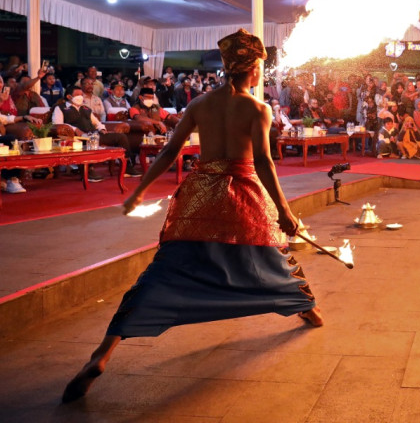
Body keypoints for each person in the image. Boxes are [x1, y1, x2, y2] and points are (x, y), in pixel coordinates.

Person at [62, 29, 322, 404]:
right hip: (243, 191)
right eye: (261, 66)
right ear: (251, 69)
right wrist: (284, 211)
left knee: (165, 268)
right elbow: (263, 161)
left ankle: (101, 354)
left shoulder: (200, 104)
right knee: (272, 254)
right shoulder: (258, 108)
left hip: (200, 194)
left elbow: (169, 152)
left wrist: (138, 190)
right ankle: (309, 309)